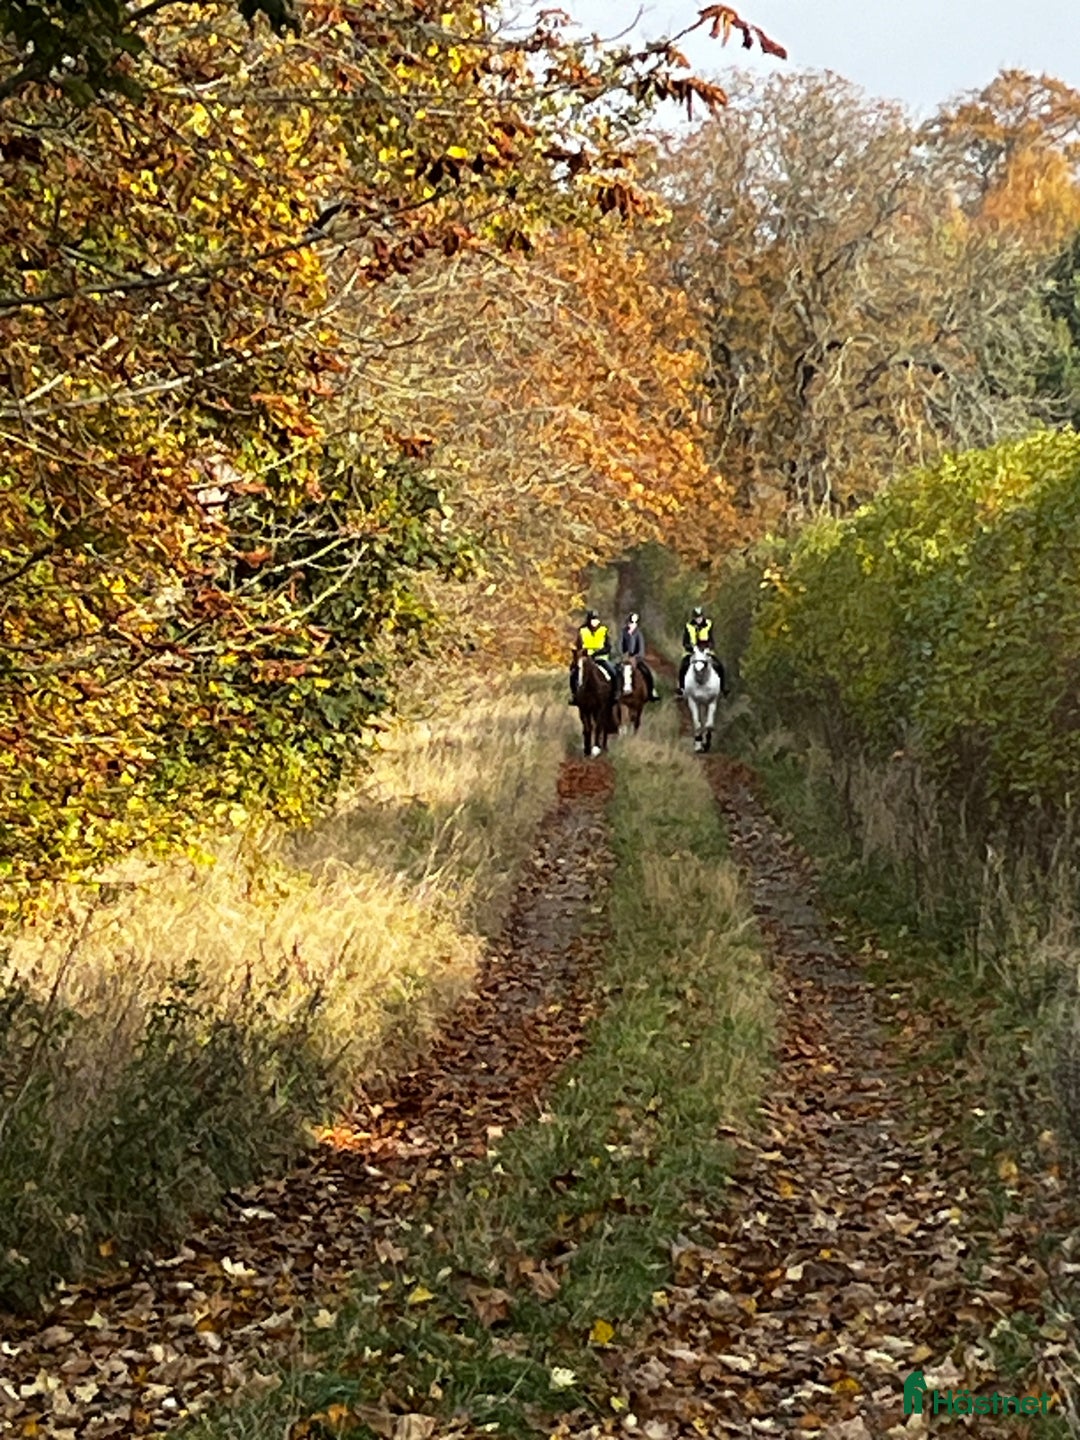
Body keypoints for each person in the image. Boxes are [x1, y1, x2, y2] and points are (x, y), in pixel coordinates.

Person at [677, 604, 726, 696]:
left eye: (700, 617)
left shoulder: (708, 624)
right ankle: (681, 689)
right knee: (683, 667)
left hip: (706, 651)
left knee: (719, 666)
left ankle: (722, 689)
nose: (698, 620)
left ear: (703, 616)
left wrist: (709, 647)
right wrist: (691, 648)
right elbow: (685, 642)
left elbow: (711, 639)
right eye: (696, 618)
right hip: (691, 652)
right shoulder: (688, 626)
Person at [569, 609, 616, 703]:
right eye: (592, 619)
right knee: (573, 673)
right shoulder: (582, 630)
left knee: (613, 672)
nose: (594, 622)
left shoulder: (603, 630)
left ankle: (615, 694)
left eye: (596, 619)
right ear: (588, 620)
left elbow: (608, 647)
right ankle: (575, 695)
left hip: (600, 659)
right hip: (585, 659)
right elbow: (578, 646)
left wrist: (597, 653)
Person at [619, 612, 660, 702]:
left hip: (636, 658)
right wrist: (623, 654)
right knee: (616, 672)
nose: (632, 625)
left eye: (634, 623)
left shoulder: (639, 634)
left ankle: (652, 691)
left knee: (647, 672)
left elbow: (641, 649)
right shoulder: (624, 632)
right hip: (625, 658)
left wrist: (636, 657)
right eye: (631, 622)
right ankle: (616, 692)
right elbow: (620, 645)